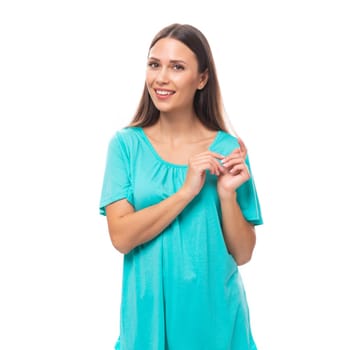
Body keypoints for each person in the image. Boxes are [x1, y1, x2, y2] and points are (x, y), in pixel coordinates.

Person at [99, 23, 263, 350]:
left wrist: (227, 193)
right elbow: (121, 236)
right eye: (154, 64)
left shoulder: (228, 148)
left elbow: (243, 253)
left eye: (177, 67)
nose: (161, 77)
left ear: (202, 78)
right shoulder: (125, 146)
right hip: (146, 325)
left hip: (216, 323)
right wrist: (186, 192)